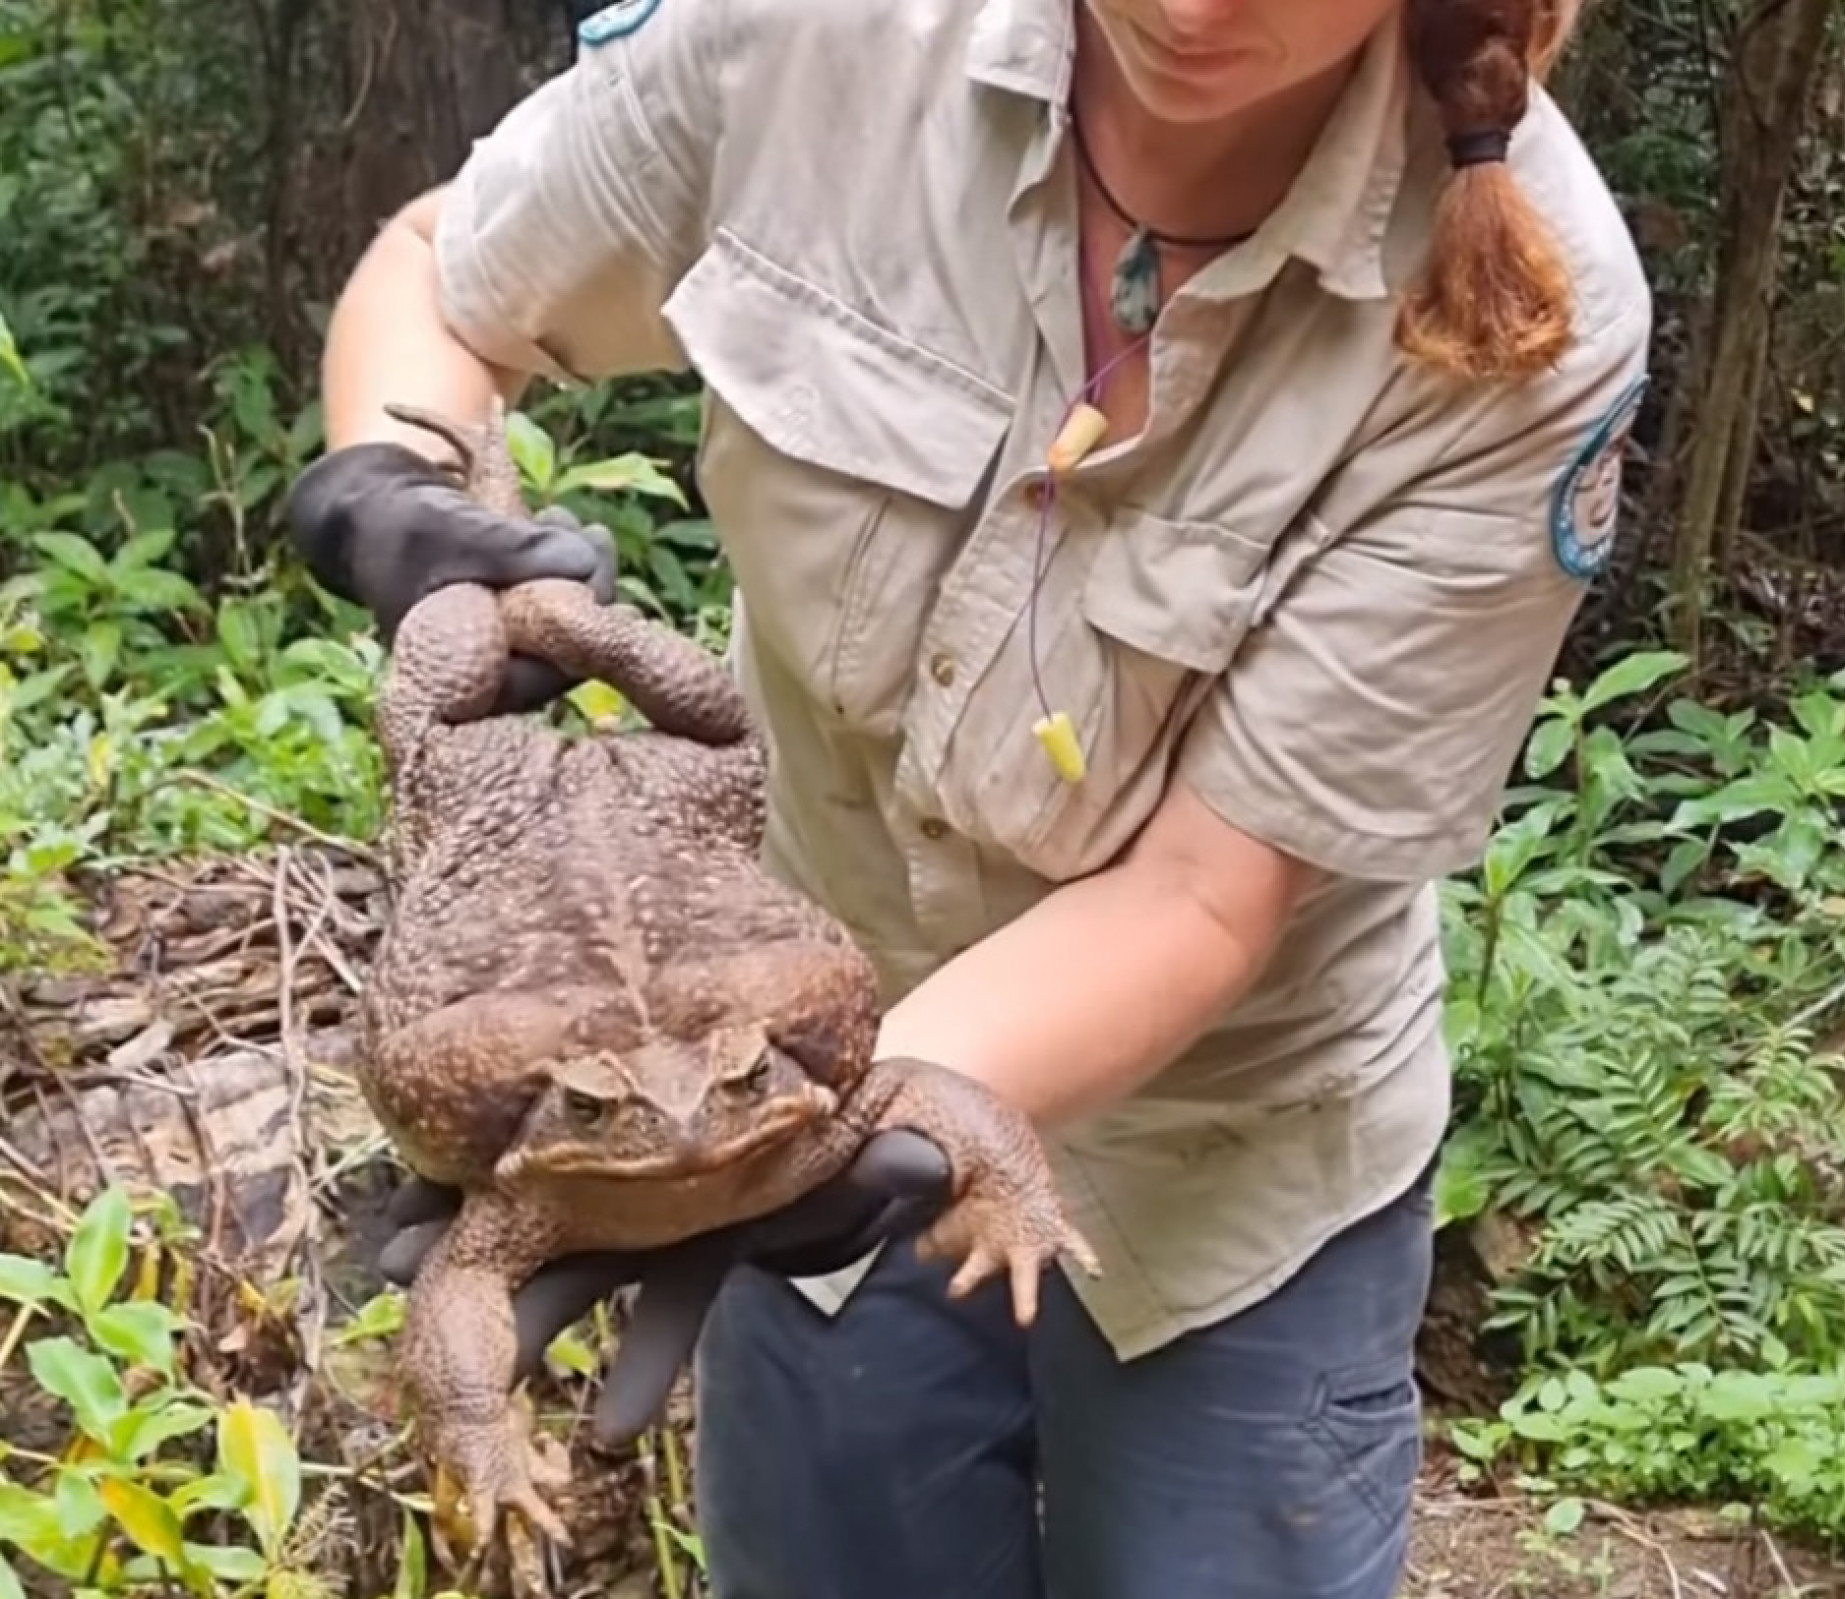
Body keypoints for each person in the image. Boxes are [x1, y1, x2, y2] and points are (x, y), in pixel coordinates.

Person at [284, 0, 1653, 1592]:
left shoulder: (1518, 300)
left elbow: (1203, 895)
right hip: (773, 1043)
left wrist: (786, 1125)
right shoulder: (815, 39)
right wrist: (407, 496)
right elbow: (446, 280)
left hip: (1219, 1155)